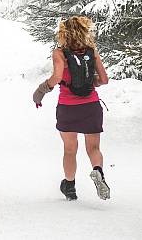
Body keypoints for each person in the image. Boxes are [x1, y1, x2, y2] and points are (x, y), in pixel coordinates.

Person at [32, 15, 110, 201]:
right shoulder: (92, 51)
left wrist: (41, 90)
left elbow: (57, 77)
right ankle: (98, 171)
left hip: (68, 107)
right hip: (91, 106)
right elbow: (104, 79)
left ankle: (70, 186)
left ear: (63, 34)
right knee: (93, 148)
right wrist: (92, 82)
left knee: (69, 149)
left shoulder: (60, 53)